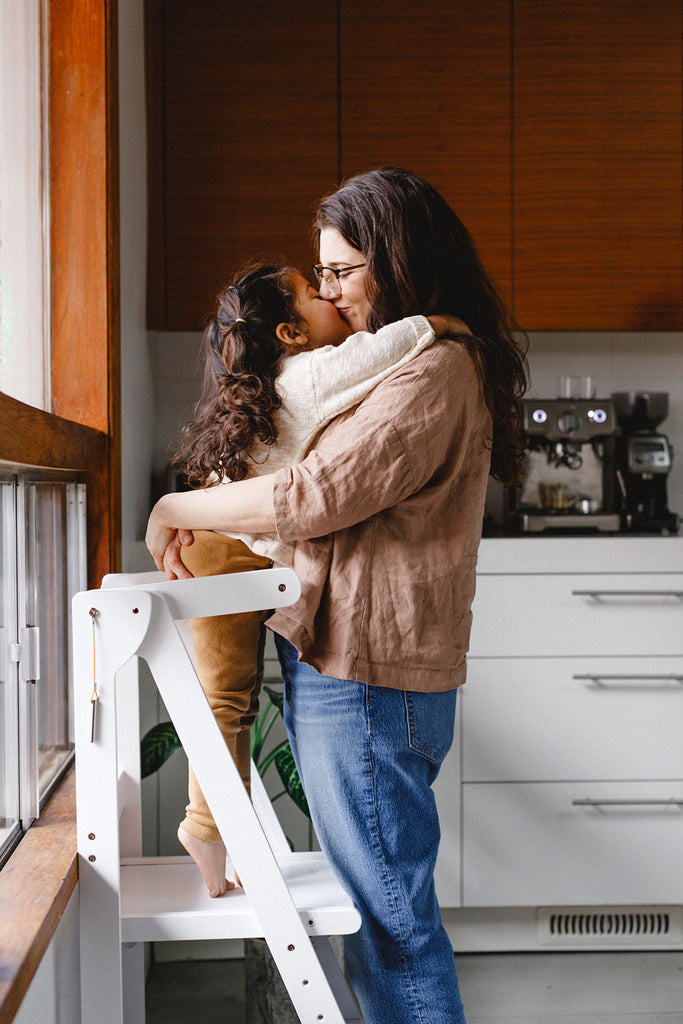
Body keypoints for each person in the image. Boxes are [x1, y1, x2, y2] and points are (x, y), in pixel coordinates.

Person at [146, 167, 528, 1024]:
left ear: (397, 260)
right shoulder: (400, 363)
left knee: (392, 928)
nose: (331, 292)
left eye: (343, 272)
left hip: (365, 680)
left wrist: (180, 503)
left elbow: (314, 495)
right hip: (357, 673)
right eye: (321, 278)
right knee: (385, 919)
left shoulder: (433, 368)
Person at [166, 261, 466, 898]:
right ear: (290, 333)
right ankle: (205, 826)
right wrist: (441, 321)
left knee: (228, 698)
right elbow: (392, 345)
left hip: (221, 544)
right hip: (229, 547)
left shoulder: (275, 379)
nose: (329, 292)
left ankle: (216, 831)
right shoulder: (309, 374)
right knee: (226, 700)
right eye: (312, 289)